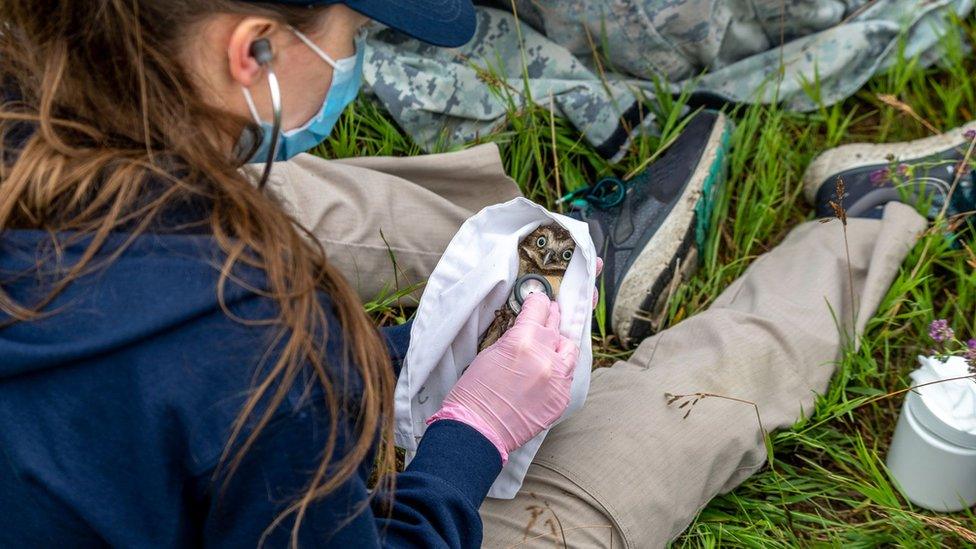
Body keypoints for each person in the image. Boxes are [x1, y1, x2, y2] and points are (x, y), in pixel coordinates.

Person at [0, 0, 946, 547]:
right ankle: (871, 220)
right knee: (625, 456)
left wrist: (390, 353)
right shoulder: (254, 347)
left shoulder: (32, 103)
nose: (355, 60)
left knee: (287, 193)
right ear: (249, 48)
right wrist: (470, 433)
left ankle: (582, 248)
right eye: (351, 33)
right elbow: (230, 396)